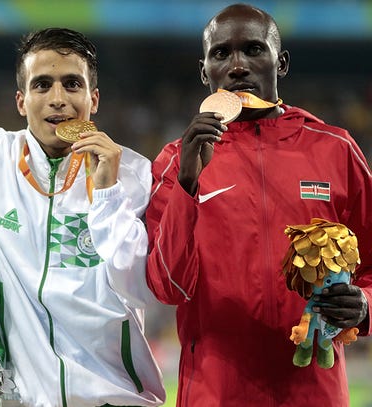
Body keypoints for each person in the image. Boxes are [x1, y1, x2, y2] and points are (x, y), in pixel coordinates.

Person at [0, 28, 165, 407]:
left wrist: (107, 190)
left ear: (93, 98)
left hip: (119, 398)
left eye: (71, 84)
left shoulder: (137, 175)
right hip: (25, 400)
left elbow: (143, 290)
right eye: (42, 85)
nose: (57, 99)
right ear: (21, 101)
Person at [145, 3, 371, 406]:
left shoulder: (336, 150)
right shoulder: (177, 160)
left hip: (313, 392)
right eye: (221, 53)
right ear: (205, 72)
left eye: (253, 49)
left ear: (280, 62)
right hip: (215, 393)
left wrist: (365, 305)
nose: (237, 66)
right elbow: (166, 286)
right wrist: (187, 185)